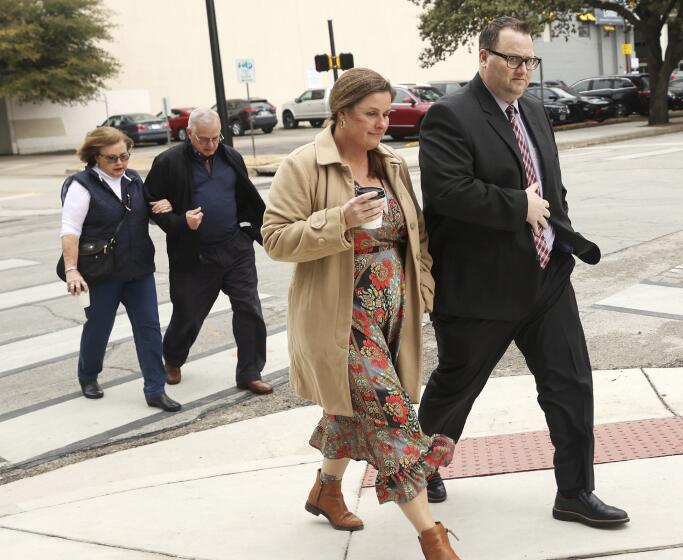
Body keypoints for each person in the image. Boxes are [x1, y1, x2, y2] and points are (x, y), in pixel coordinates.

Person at [417, 16, 629, 528]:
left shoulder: (533, 111)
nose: (522, 69)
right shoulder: (449, 116)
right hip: (482, 290)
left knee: (572, 385)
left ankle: (575, 492)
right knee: (455, 388)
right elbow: (446, 191)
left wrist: (561, 233)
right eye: (511, 58)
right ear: (484, 56)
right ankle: (419, 467)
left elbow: (549, 187)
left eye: (528, 60)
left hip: (547, 278)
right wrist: (516, 205)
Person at [262, 68, 460, 560]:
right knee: (393, 420)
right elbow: (274, 238)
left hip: (393, 316)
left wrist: (426, 292)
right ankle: (432, 540)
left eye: (387, 112)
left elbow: (415, 235)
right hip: (340, 321)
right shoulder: (304, 165)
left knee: (353, 408)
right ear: (342, 112)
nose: (382, 122)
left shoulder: (391, 163)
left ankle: (326, 491)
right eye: (371, 113)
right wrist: (338, 220)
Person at [143, 108, 272, 395]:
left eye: (216, 138)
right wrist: (180, 221)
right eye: (204, 139)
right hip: (194, 254)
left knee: (249, 309)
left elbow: (245, 198)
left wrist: (249, 230)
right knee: (189, 313)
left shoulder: (230, 157)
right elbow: (151, 203)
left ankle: (250, 371)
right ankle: (173, 359)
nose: (211, 145)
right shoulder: (168, 162)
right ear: (189, 134)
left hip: (235, 248)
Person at [59, 127, 181, 412]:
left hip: (138, 270)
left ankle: (155, 389)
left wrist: (165, 206)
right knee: (99, 327)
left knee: (149, 328)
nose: (120, 163)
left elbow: (145, 214)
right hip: (101, 274)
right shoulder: (81, 185)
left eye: (124, 156)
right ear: (94, 156)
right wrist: (72, 270)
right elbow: (70, 231)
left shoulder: (133, 179)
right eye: (111, 158)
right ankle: (88, 375)